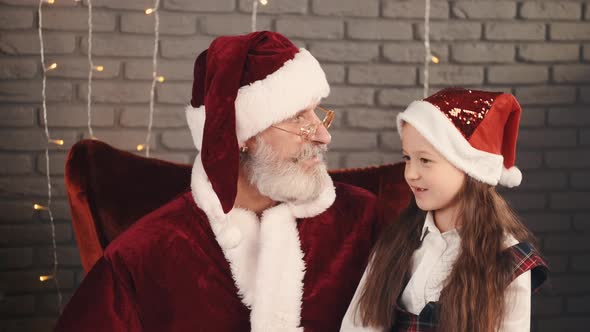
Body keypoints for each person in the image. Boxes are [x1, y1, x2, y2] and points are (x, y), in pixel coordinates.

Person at [54, 31, 389, 331]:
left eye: (318, 112)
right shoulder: (146, 255)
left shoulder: (361, 221)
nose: (323, 135)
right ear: (241, 137)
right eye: (298, 117)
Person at [341, 88, 548, 332]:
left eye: (425, 160)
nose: (410, 174)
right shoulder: (395, 244)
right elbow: (359, 325)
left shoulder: (505, 260)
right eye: (407, 158)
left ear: (469, 168)